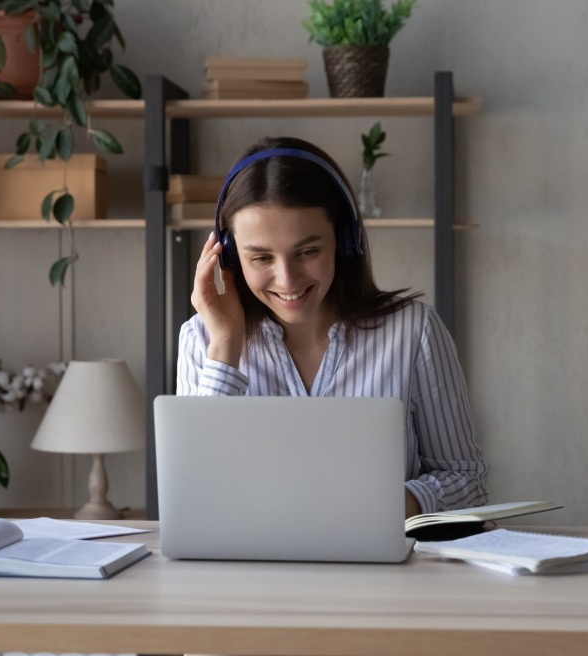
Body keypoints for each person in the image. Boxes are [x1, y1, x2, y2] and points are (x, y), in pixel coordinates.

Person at [176, 136, 487, 518]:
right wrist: (225, 346)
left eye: (307, 252)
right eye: (260, 257)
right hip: (251, 575)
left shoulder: (414, 332)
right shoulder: (201, 340)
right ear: (229, 255)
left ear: (345, 241)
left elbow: (468, 483)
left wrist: (394, 504)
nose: (287, 279)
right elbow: (194, 497)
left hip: (382, 574)